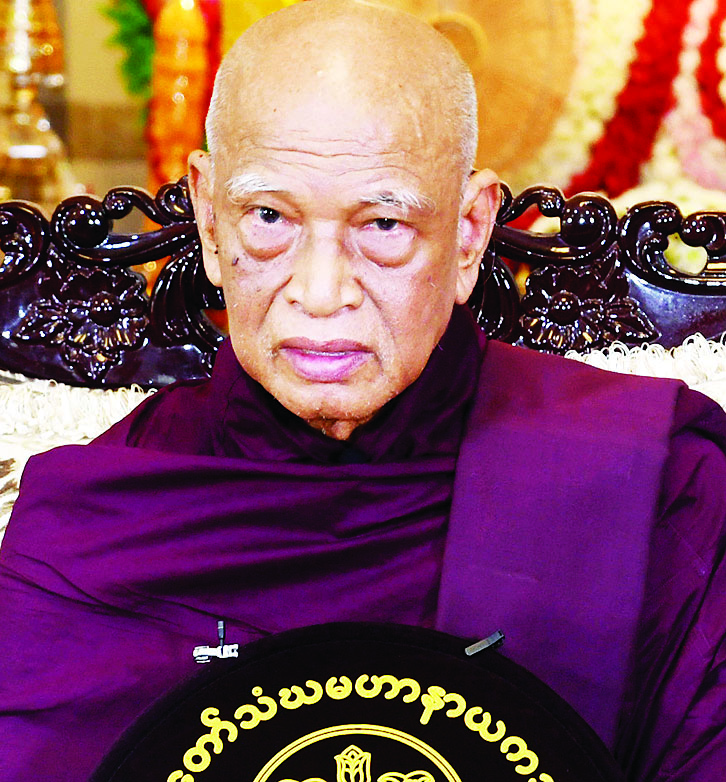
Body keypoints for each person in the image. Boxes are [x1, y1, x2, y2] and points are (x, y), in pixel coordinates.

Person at [2, 1, 726, 780]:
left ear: (469, 235)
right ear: (210, 223)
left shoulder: (642, 484)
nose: (320, 294)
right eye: (269, 217)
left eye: (383, 225)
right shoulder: (99, 523)